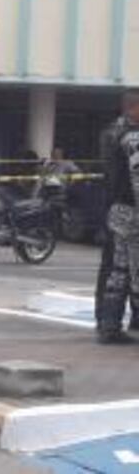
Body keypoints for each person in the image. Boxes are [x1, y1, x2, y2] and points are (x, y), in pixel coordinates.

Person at [96, 90, 139, 344]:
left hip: (117, 209)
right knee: (130, 269)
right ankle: (115, 323)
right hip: (133, 211)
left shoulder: (111, 133)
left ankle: (108, 322)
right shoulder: (133, 137)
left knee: (116, 268)